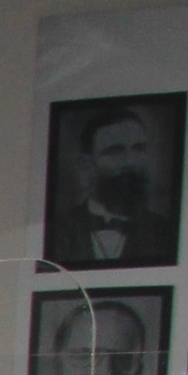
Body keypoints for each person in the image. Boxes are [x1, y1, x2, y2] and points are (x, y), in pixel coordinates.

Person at [47, 103, 171, 267]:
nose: (130, 162)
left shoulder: (164, 231)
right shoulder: (57, 232)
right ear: (86, 164)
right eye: (115, 152)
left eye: (138, 149)